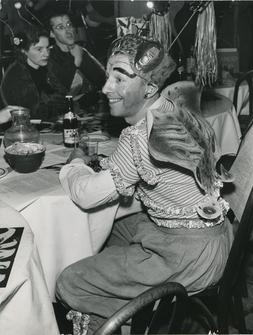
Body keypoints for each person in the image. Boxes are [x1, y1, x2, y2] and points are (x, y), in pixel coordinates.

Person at [56, 34, 233, 333]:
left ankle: (137, 317)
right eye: (108, 76)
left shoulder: (138, 137)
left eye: (120, 78)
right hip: (216, 240)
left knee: (69, 282)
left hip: (187, 259)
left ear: (150, 87)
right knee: (116, 227)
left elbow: (86, 195)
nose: (105, 88)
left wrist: (72, 164)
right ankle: (132, 303)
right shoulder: (178, 110)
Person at [0, 24, 66, 121]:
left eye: (47, 48)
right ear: (23, 50)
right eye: (39, 49)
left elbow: (64, 94)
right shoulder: (16, 76)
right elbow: (30, 113)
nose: (46, 54)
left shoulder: (48, 67)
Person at [46, 8, 106, 111]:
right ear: (52, 33)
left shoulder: (80, 50)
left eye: (69, 25)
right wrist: (77, 60)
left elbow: (102, 80)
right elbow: (59, 93)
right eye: (60, 27)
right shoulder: (49, 57)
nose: (68, 30)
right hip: (62, 113)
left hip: (87, 112)